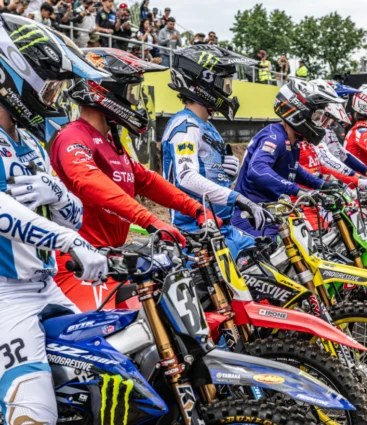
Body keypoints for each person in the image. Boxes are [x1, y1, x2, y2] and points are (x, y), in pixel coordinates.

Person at [0, 14, 108, 425]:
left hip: (45, 286)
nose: (53, 97)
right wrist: (69, 242)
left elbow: (73, 219)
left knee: (100, 382)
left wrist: (60, 195)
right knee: (35, 413)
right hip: (6, 296)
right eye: (48, 86)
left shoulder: (29, 140)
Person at [50, 48, 219, 311]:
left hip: (110, 258)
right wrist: (150, 220)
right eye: (130, 92)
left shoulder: (110, 142)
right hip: (77, 263)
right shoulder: (73, 136)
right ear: (105, 90)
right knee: (117, 330)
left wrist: (196, 209)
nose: (134, 102)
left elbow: (147, 181)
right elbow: (87, 179)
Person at [163, 45, 271, 258]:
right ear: (205, 84)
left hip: (223, 227)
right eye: (226, 84)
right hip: (197, 233)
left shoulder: (206, 125)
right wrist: (238, 199)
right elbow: (186, 177)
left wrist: (228, 174)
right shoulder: (185, 126)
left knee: (271, 256)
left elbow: (209, 175)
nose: (229, 91)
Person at [232, 79, 344, 239]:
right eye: (316, 116)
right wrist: (297, 190)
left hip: (268, 214)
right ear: (300, 112)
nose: (319, 122)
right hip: (250, 217)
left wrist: (322, 185)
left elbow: (294, 169)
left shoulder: (291, 141)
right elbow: (257, 170)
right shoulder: (275, 137)